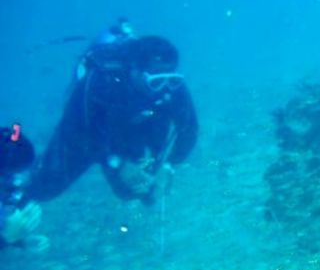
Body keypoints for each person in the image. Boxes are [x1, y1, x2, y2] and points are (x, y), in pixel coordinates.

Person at [28, 21, 198, 204]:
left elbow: (189, 127)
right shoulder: (100, 81)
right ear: (134, 71)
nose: (164, 88)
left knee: (136, 190)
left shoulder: (170, 84)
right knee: (44, 188)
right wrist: (118, 163)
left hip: (138, 124)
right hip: (88, 130)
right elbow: (79, 132)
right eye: (155, 83)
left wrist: (169, 164)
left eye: (171, 81)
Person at [0, 122, 45, 250]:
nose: (18, 183)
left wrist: (20, 241)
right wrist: (7, 237)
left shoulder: (13, 192)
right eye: (9, 178)